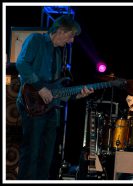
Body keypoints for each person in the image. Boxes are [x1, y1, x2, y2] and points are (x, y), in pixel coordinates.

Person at [15, 15, 94, 180]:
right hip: (32, 106)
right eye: (71, 36)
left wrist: (77, 95)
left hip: (50, 110)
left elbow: (56, 89)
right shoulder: (36, 40)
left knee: (47, 157)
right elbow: (21, 63)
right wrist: (40, 87)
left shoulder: (58, 53)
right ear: (60, 30)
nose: (72, 41)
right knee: (32, 153)